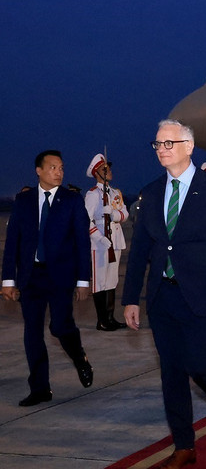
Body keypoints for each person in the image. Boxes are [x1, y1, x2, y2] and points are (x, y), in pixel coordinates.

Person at [122, 119, 206, 469]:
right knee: (172, 373)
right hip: (163, 297)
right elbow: (140, 249)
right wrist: (131, 298)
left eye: (168, 144)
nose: (161, 150)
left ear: (188, 147)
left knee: (202, 363)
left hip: (204, 296)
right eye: (157, 144)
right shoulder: (150, 193)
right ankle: (184, 446)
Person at [2, 150, 94, 406]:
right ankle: (40, 388)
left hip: (60, 277)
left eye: (61, 168)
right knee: (32, 333)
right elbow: (12, 242)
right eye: (53, 167)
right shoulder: (23, 201)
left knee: (60, 326)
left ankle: (79, 357)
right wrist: (8, 280)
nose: (59, 172)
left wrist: (83, 280)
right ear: (39, 171)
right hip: (31, 277)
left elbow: (82, 242)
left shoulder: (72, 200)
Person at [85, 153, 129, 331]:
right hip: (100, 243)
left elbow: (125, 213)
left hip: (115, 241)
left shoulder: (115, 192)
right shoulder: (93, 194)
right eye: (105, 169)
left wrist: (114, 214)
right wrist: (98, 237)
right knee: (100, 281)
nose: (109, 171)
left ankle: (110, 318)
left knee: (112, 280)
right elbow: (85, 220)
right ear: (97, 173)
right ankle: (102, 320)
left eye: (108, 168)